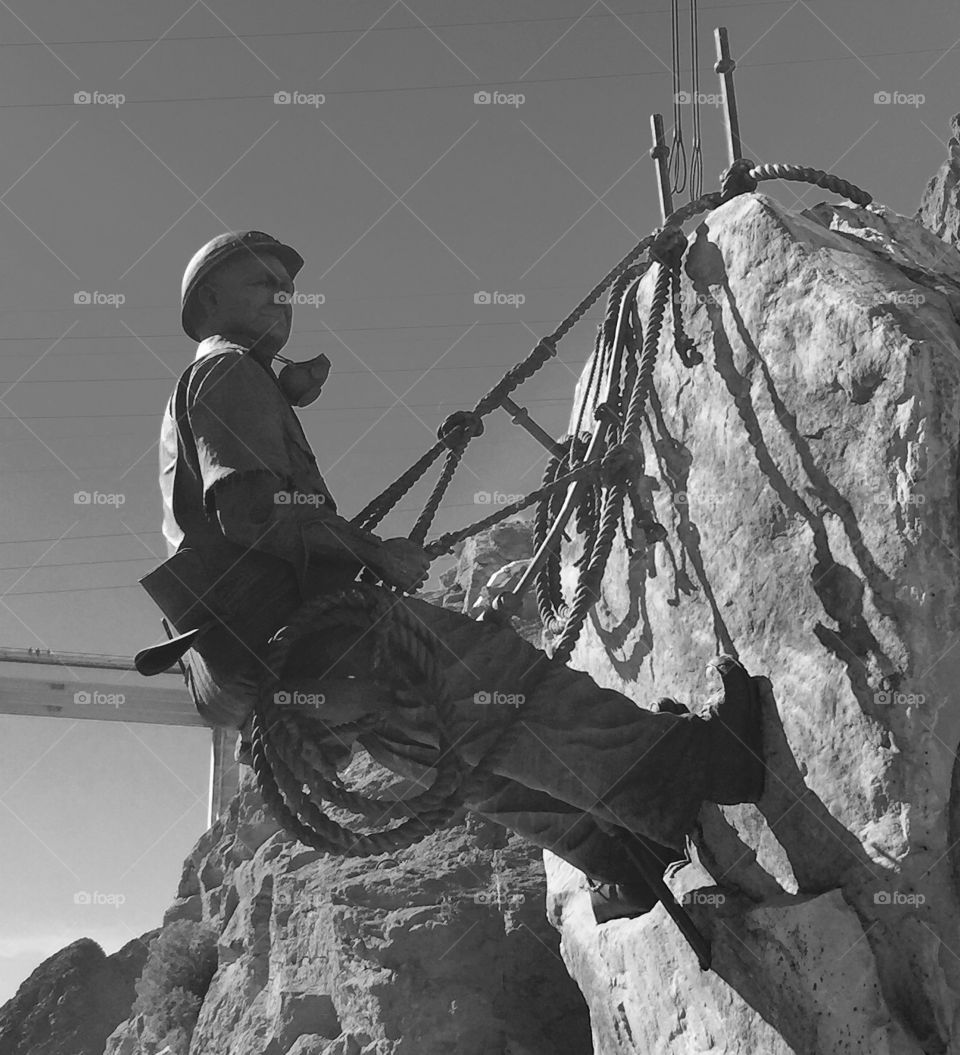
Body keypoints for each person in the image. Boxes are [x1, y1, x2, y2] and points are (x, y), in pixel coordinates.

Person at [148, 230, 766, 922]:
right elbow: (252, 511)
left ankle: (621, 862)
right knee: (511, 687)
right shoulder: (226, 374)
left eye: (286, 289)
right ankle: (707, 763)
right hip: (325, 634)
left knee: (471, 758)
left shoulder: (228, 381)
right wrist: (372, 552)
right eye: (261, 284)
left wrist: (281, 385)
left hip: (283, 669)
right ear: (207, 300)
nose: (283, 298)